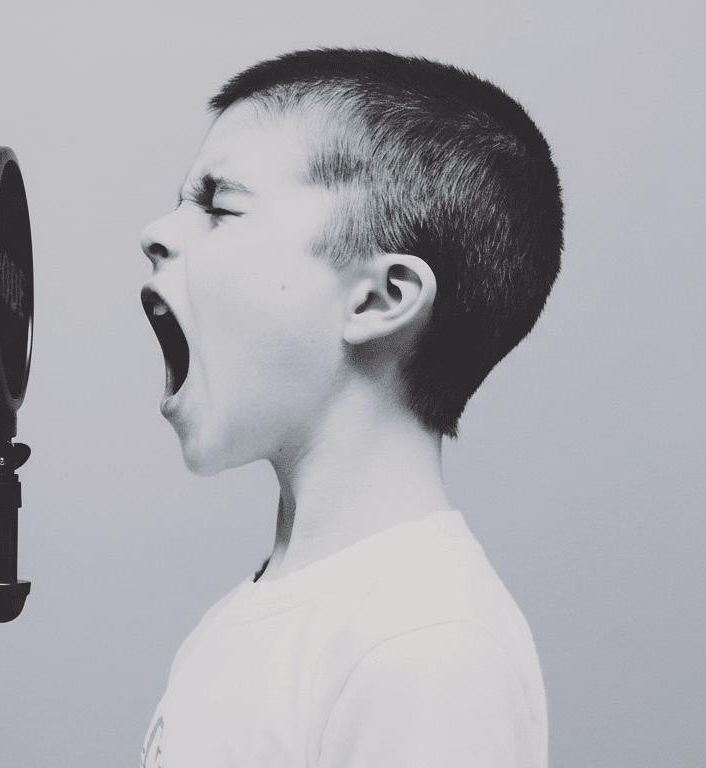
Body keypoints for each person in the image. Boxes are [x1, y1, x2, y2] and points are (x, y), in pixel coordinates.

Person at [137, 49, 562, 768]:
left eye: (219, 206)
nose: (157, 233)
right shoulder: (251, 619)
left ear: (380, 298)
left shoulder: (425, 649)